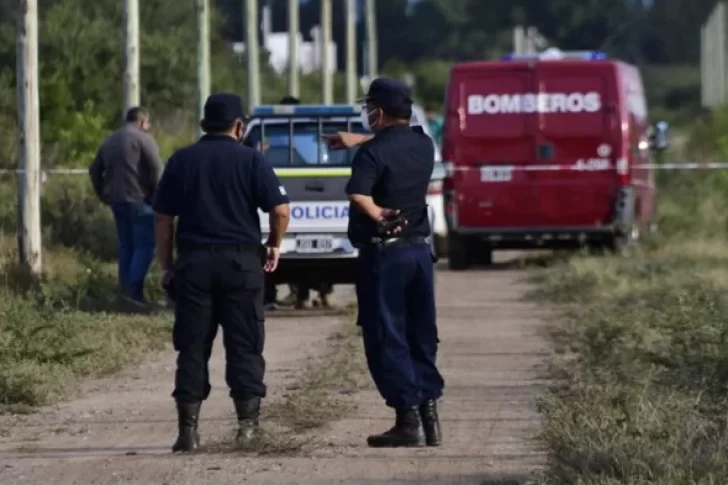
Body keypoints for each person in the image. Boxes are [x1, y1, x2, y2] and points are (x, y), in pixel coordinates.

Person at [152, 93, 291, 452]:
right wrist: (274, 245)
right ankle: (247, 428)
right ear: (240, 127)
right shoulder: (251, 160)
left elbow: (164, 219)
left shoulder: (181, 160)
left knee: (193, 347)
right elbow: (280, 210)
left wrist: (167, 265)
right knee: (244, 345)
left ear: (203, 125)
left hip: (194, 264)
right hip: (241, 264)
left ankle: (188, 431)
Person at [323, 78, 445, 448]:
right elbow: (392, 143)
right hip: (420, 254)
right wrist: (357, 140)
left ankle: (407, 420)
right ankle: (430, 417)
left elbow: (358, 192)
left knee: (386, 335)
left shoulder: (372, 154)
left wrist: (376, 212)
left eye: (369, 108)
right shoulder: (423, 144)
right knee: (420, 334)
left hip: (384, 254)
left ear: (378, 112)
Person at [89, 107, 163, 304]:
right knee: (145, 246)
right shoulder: (143, 138)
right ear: (141, 121)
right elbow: (156, 168)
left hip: (117, 201)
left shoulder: (110, 140)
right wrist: (158, 196)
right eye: (148, 124)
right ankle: (133, 291)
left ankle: (124, 291)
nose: (148, 127)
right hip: (140, 200)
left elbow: (95, 169)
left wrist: (102, 194)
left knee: (127, 246)